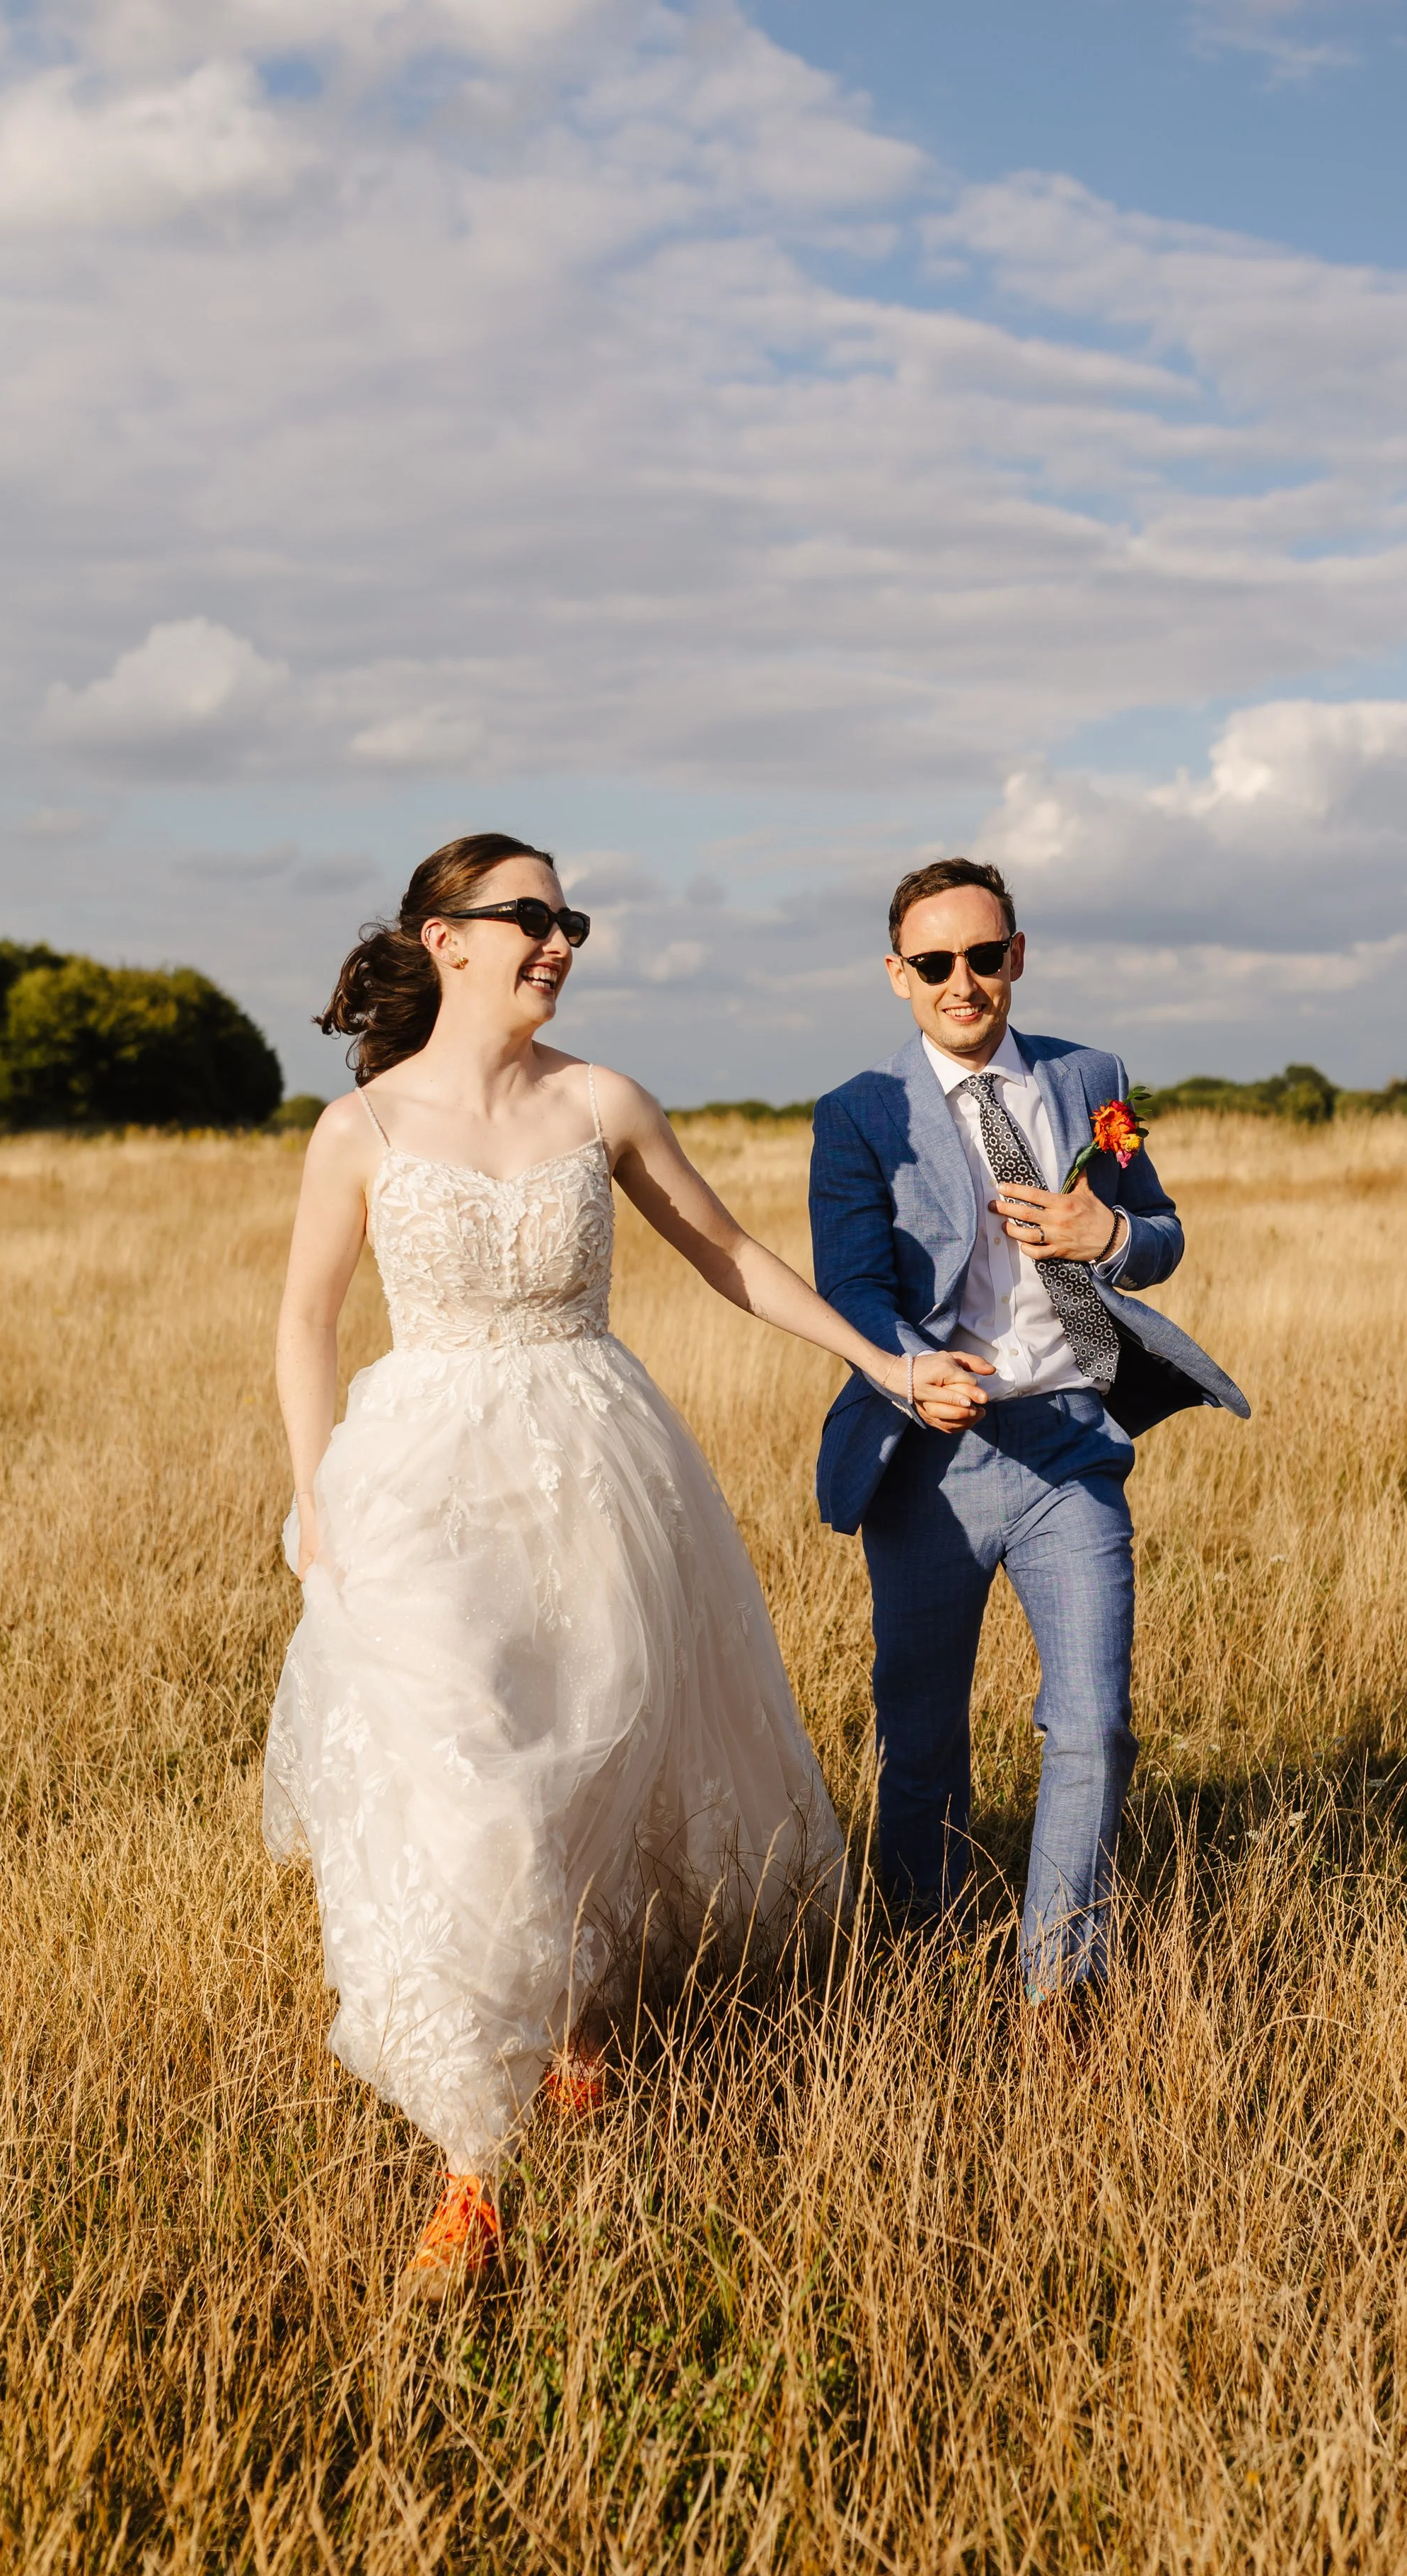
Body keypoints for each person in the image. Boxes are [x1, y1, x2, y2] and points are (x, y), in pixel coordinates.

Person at [263, 831, 984, 2297]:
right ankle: (473, 2155)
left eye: (567, 917)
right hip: (417, 1472)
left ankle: (576, 2032)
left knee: (586, 1752)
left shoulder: (599, 1100)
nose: (558, 939)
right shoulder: (364, 1131)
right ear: (441, 938)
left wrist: (886, 1364)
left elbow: (726, 1254)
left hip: (595, 1456)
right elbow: (303, 1320)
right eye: (526, 916)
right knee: (466, 1768)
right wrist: (312, 1490)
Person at [809, 857, 1249, 2011]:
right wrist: (908, 1372)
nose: (967, 983)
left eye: (986, 956)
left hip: (1070, 1448)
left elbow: (1162, 1234)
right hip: (931, 1461)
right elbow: (848, 1284)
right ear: (898, 974)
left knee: (1096, 1726)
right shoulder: (858, 1114)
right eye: (938, 963)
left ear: (1019, 954)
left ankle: (1062, 1989)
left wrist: (1108, 1231)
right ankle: (923, 1959)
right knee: (922, 1743)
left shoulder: (1090, 1077)